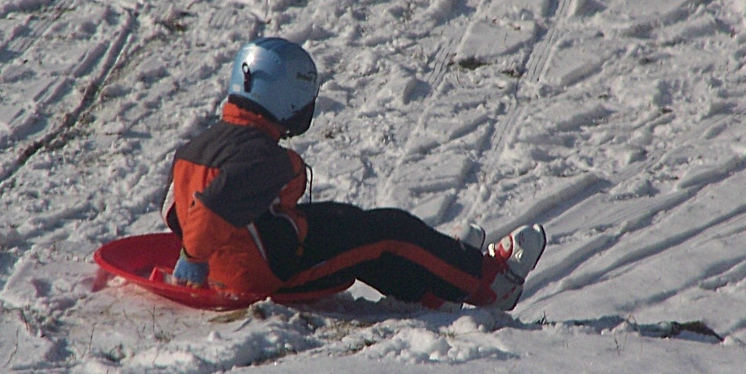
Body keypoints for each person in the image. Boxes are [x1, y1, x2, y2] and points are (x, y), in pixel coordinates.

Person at [161, 37, 546, 310]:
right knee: (390, 231)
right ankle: (488, 283)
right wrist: (194, 257)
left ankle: (438, 286)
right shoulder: (262, 158)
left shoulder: (202, 144)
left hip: (249, 255)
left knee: (350, 223)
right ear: (288, 98)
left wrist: (205, 255)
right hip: (271, 272)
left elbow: (174, 209)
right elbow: (214, 206)